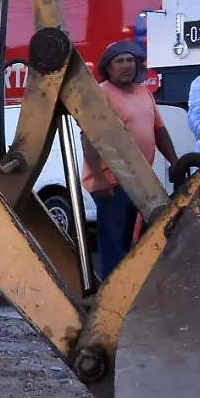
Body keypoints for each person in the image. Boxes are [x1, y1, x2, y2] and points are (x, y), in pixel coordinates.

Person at [82, 40, 180, 278]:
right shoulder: (100, 94)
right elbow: (89, 136)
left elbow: (158, 130)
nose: (126, 65)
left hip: (140, 180)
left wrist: (175, 162)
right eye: (119, 61)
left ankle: (133, 291)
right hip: (112, 183)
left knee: (144, 240)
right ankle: (113, 299)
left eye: (130, 60)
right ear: (108, 67)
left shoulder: (143, 92)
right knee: (115, 245)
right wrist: (98, 176)